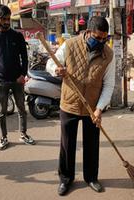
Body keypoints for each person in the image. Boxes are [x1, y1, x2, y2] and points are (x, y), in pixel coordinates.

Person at [46, 16, 115, 196]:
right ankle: (66, 179)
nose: (100, 41)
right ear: (87, 32)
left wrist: (100, 108)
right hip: (69, 103)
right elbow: (50, 63)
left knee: (92, 144)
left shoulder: (108, 55)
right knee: (67, 143)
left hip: (92, 106)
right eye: (97, 37)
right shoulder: (69, 45)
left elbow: (108, 84)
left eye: (104, 38)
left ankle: (91, 177)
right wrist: (56, 70)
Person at [0, 4, 35, 150]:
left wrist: (23, 75)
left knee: (22, 110)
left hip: (17, 80)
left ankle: (23, 134)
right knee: (1, 112)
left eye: (8, 19)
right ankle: (3, 137)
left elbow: (24, 58)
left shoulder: (17, 36)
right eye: (3, 19)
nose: (6, 22)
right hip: (0, 81)